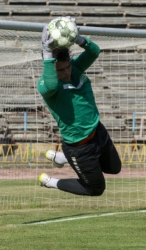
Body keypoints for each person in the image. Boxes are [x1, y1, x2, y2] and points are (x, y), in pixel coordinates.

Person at [37, 16, 122, 196]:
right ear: (52, 68)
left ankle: (61, 158)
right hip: (79, 147)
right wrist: (47, 51)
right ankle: (51, 181)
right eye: (61, 70)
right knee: (96, 189)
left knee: (114, 168)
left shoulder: (75, 69)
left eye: (67, 67)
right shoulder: (46, 85)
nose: (67, 72)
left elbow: (94, 52)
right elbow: (52, 84)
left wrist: (77, 38)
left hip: (98, 132)